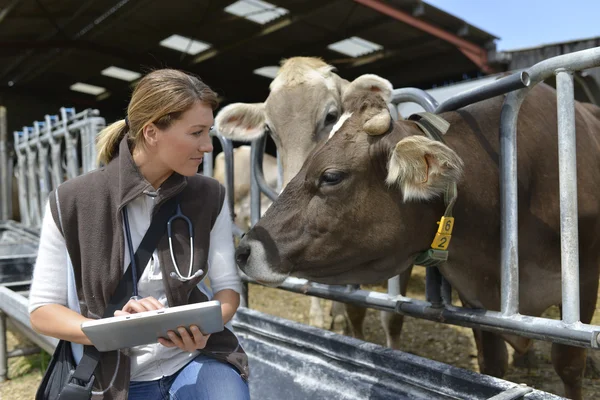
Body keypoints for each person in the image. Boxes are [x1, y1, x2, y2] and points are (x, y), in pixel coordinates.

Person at [28, 68, 250, 400]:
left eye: (209, 132)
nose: (207, 146)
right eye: (196, 132)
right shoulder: (71, 200)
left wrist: (205, 328)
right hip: (109, 373)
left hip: (191, 360)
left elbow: (228, 291)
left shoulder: (209, 196)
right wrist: (112, 330)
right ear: (151, 132)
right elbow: (43, 310)